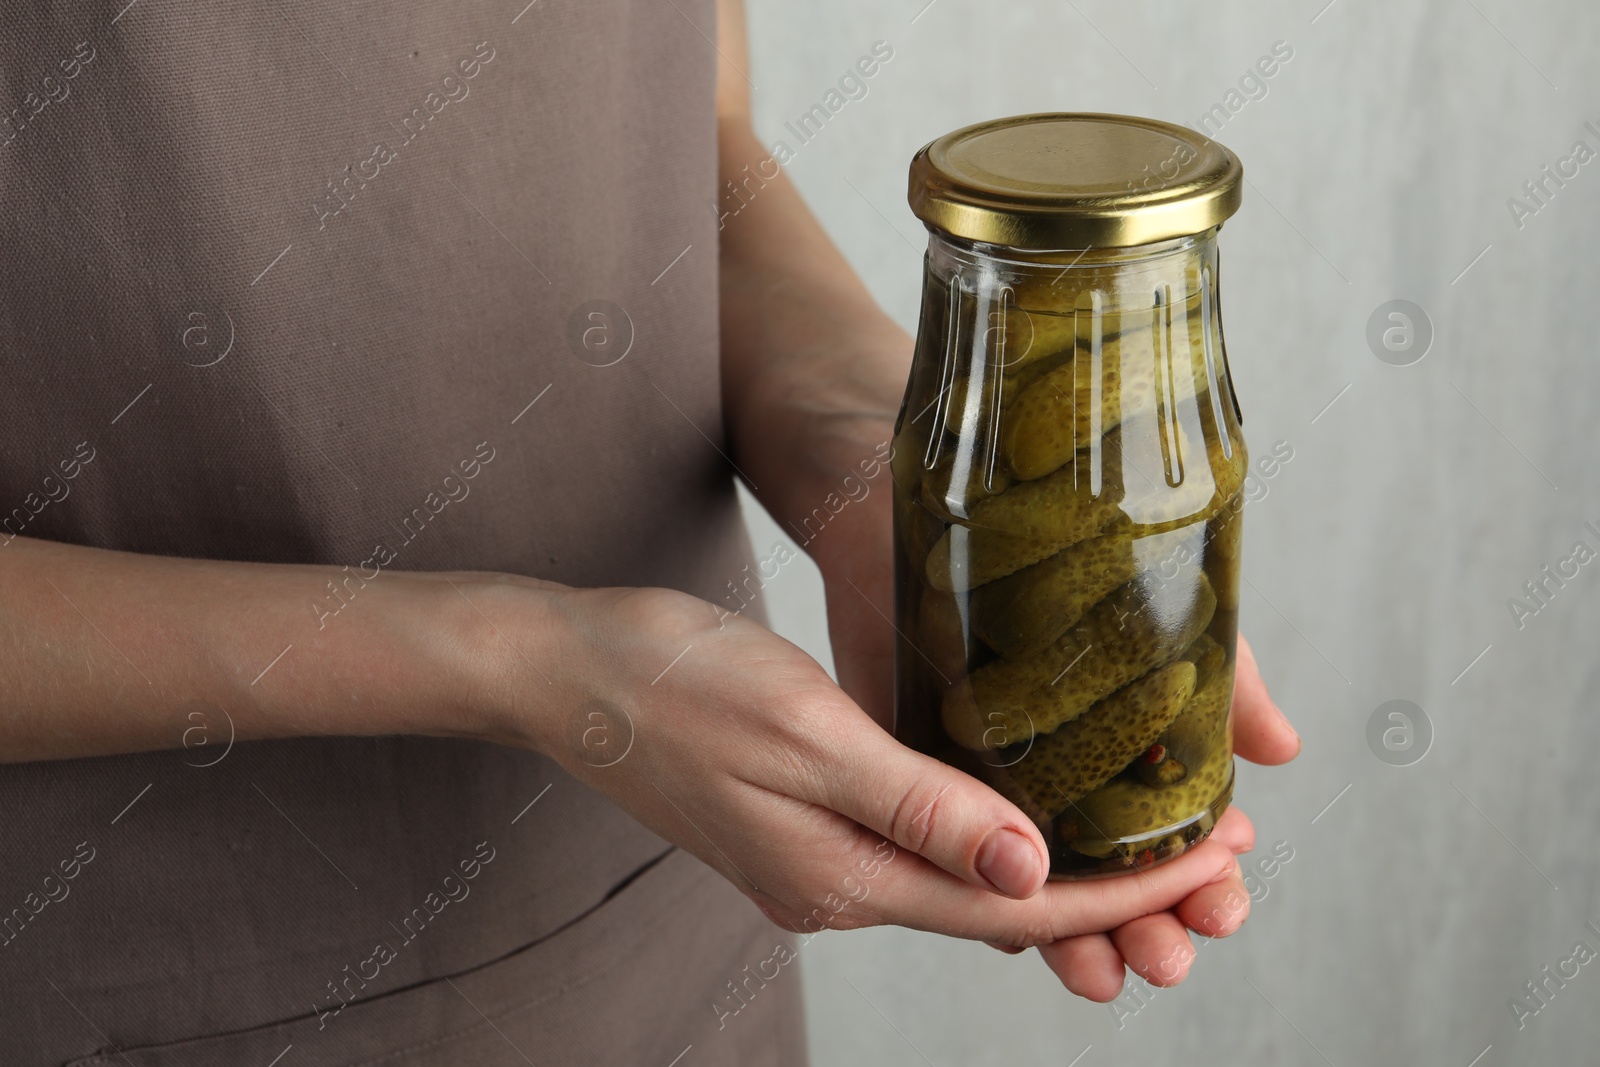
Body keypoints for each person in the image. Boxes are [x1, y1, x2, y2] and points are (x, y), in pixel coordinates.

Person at [0, 0, 1299, 1062]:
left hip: (673, 866)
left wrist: (880, 477)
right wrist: (537, 666)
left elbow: (696, 138)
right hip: (165, 955)